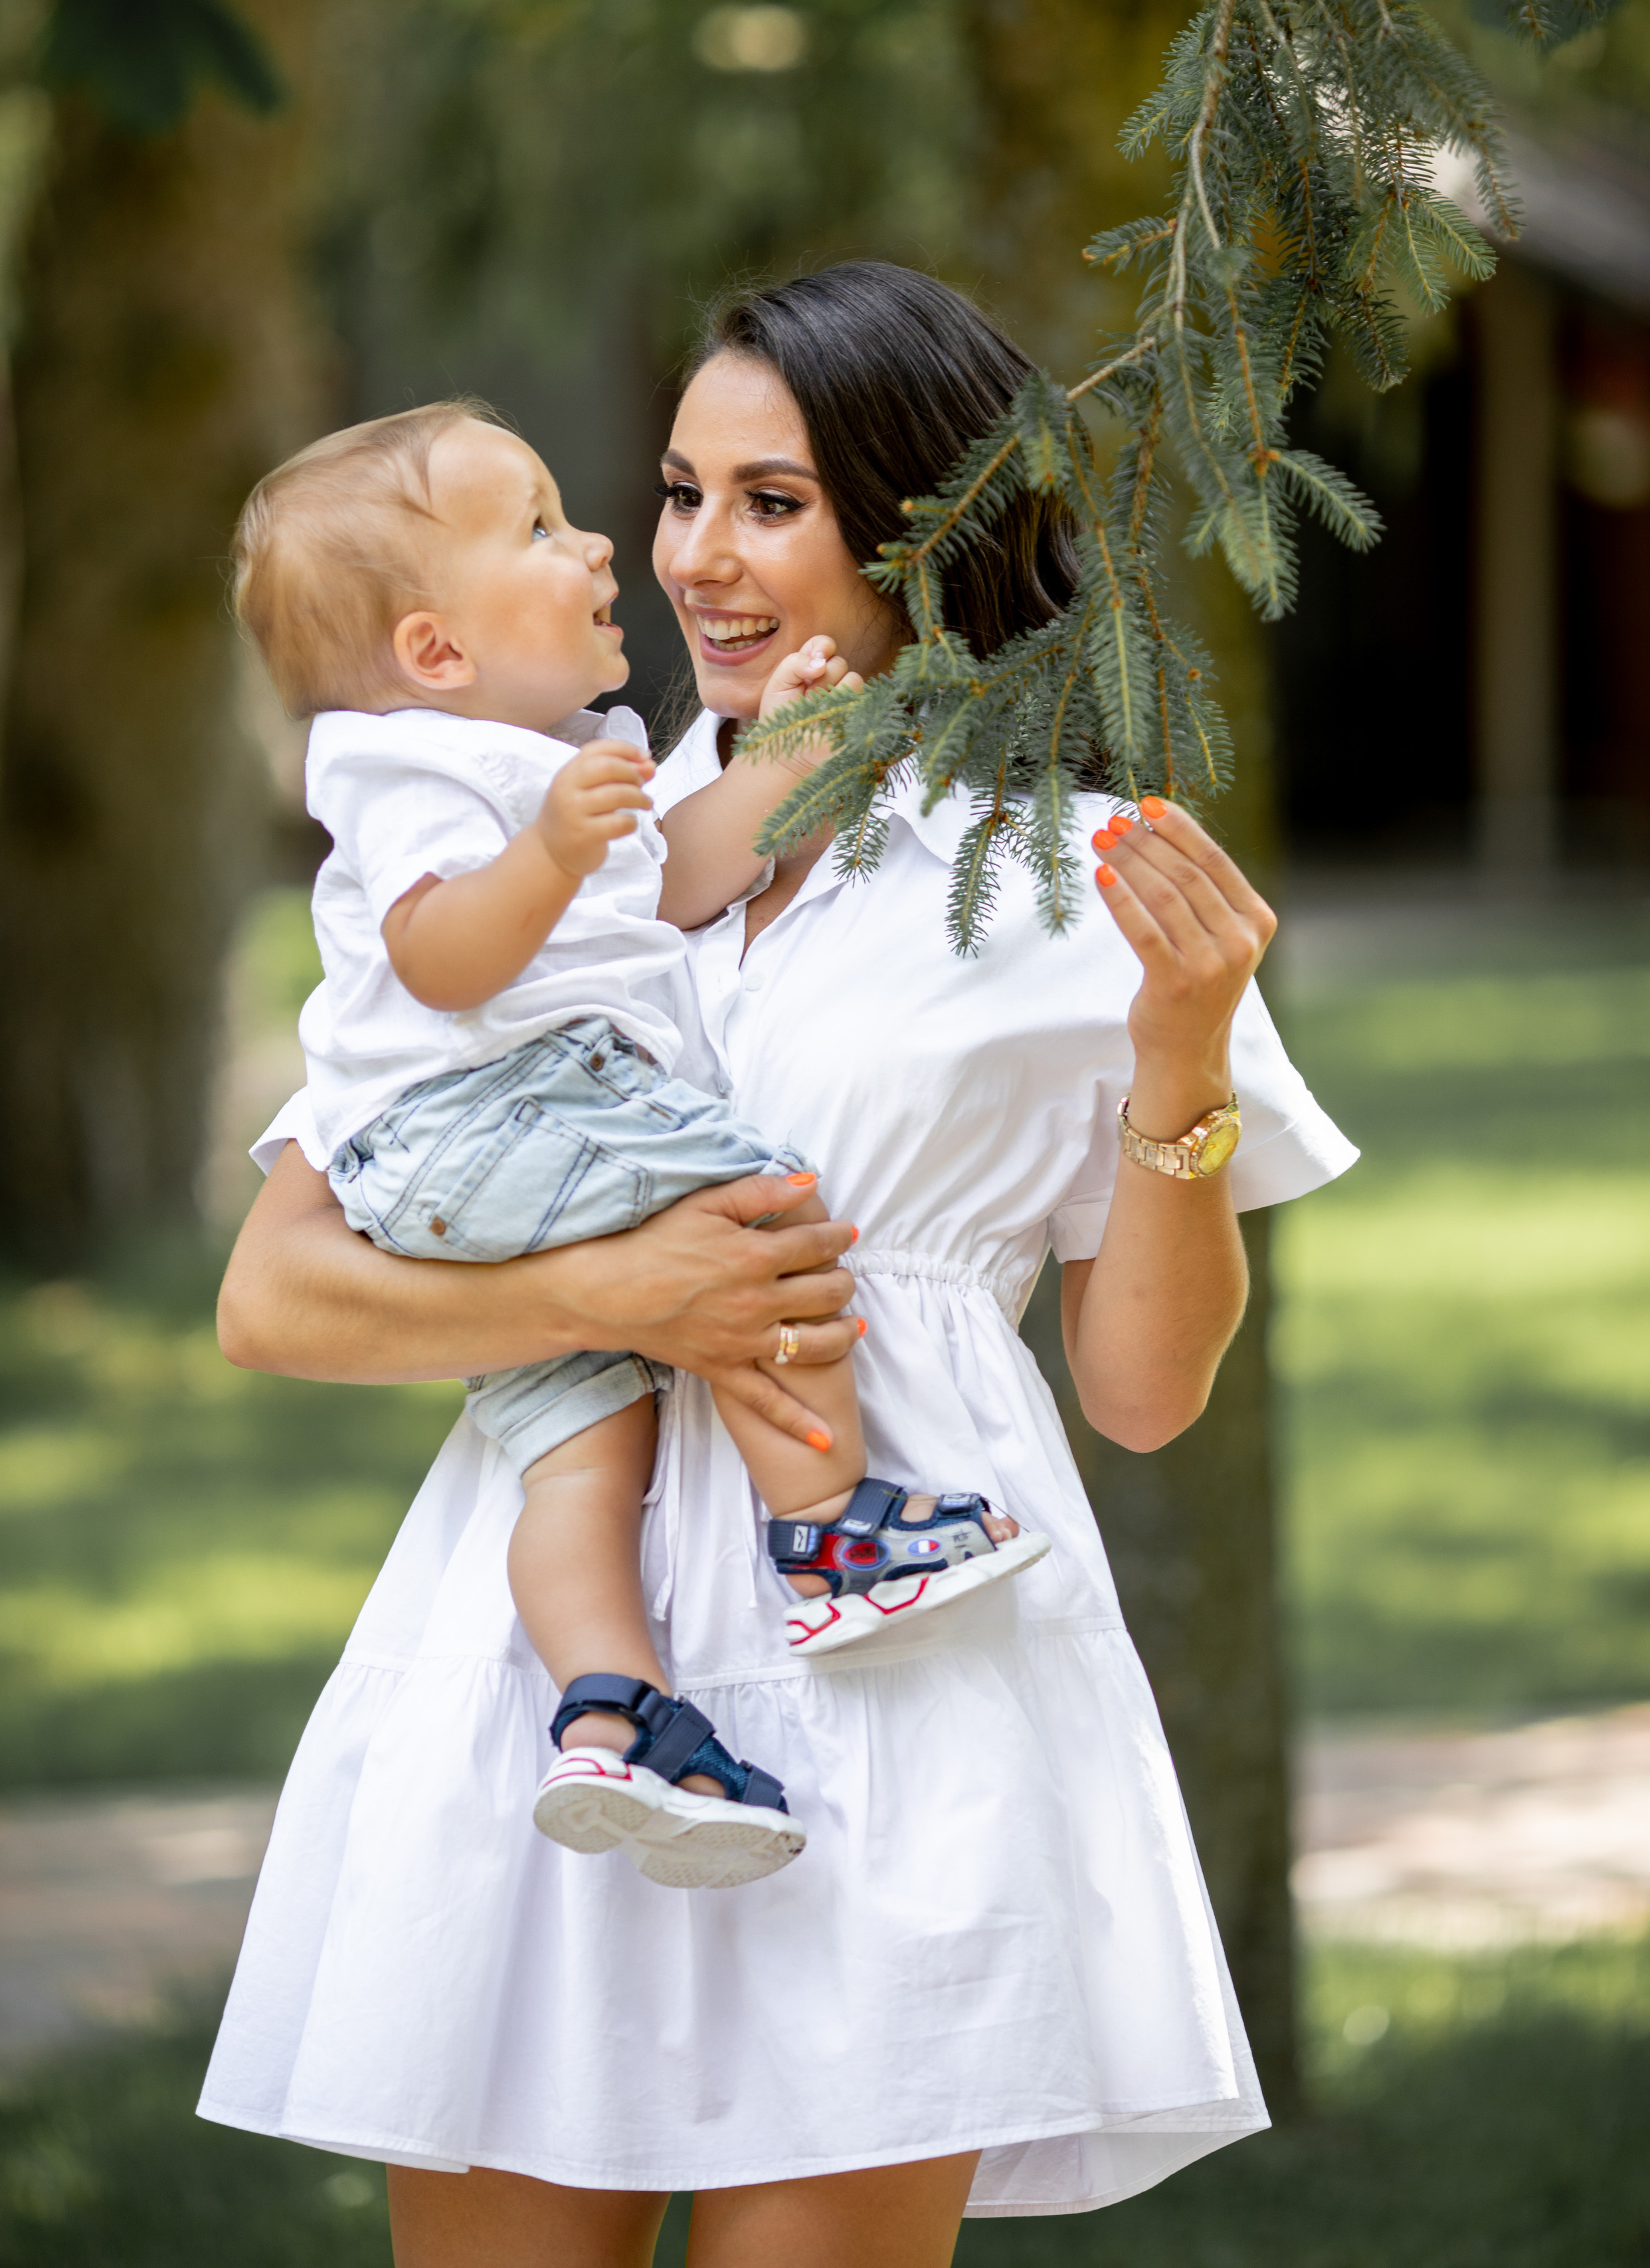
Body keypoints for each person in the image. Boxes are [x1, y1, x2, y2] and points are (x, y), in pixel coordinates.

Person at [199, 261, 1356, 2268]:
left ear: (927, 531)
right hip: (561, 1686)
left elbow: (1148, 1394)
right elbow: (275, 1292)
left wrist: (1181, 1057)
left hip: (901, 1696)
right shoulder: (557, 838)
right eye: (674, 494)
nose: (696, 563)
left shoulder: (1074, 877)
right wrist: (610, 1302)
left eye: (775, 503)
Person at [229, 402, 1040, 1887]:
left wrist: (791, 749)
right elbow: (440, 959)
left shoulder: (550, 761)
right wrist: (544, 850)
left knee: (578, 1459)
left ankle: (612, 1713)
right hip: (491, 1117)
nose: (605, 542)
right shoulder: (415, 771)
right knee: (764, 1211)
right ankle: (826, 1531)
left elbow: (662, 880)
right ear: (433, 654)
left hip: (472, 1174)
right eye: (537, 527)